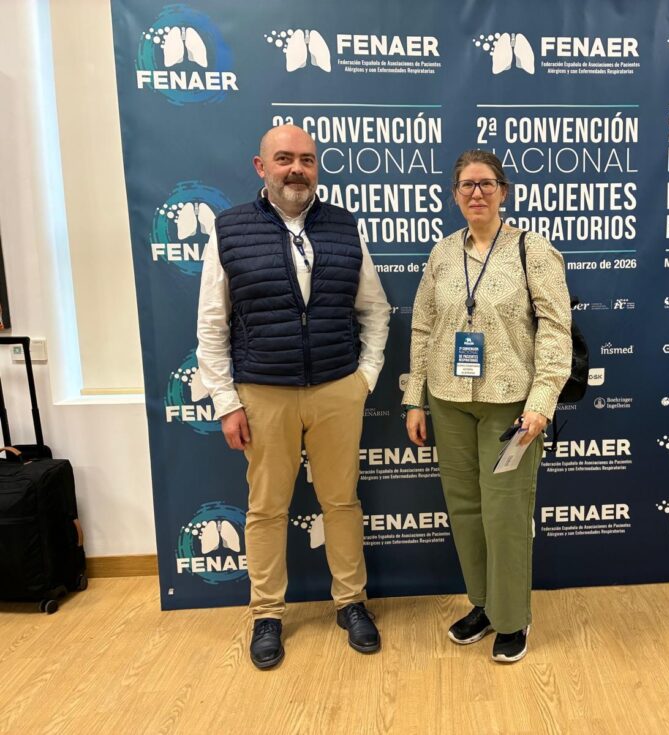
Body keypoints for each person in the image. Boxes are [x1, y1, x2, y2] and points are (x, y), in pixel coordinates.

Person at [196, 124, 390, 669]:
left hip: (336, 388)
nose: (296, 169)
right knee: (266, 508)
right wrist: (226, 402)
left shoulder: (344, 227)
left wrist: (365, 377)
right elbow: (211, 324)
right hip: (263, 394)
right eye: (284, 159)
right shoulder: (229, 230)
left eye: (306, 159)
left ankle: (351, 603)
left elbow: (374, 309)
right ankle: (267, 615)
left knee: (342, 502)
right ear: (262, 167)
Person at [401, 150, 572, 663]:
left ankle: (512, 617)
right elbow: (423, 326)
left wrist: (541, 403)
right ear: (455, 194)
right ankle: (483, 604)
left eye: (487, 184)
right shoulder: (442, 253)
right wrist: (415, 399)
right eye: (467, 185)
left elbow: (556, 330)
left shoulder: (532, 250)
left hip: (511, 407)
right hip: (448, 400)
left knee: (505, 513)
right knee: (465, 510)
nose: (477, 193)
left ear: (504, 191)